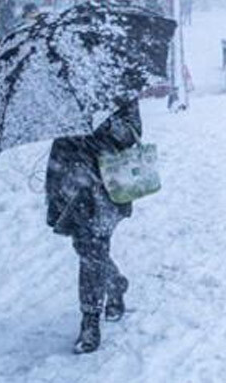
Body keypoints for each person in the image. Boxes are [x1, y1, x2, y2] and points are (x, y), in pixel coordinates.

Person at [45, 100, 142, 354]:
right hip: (70, 181)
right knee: (85, 248)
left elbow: (131, 133)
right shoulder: (61, 89)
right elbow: (56, 133)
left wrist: (100, 125)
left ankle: (90, 320)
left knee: (92, 251)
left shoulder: (115, 87)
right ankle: (115, 283)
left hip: (106, 184)